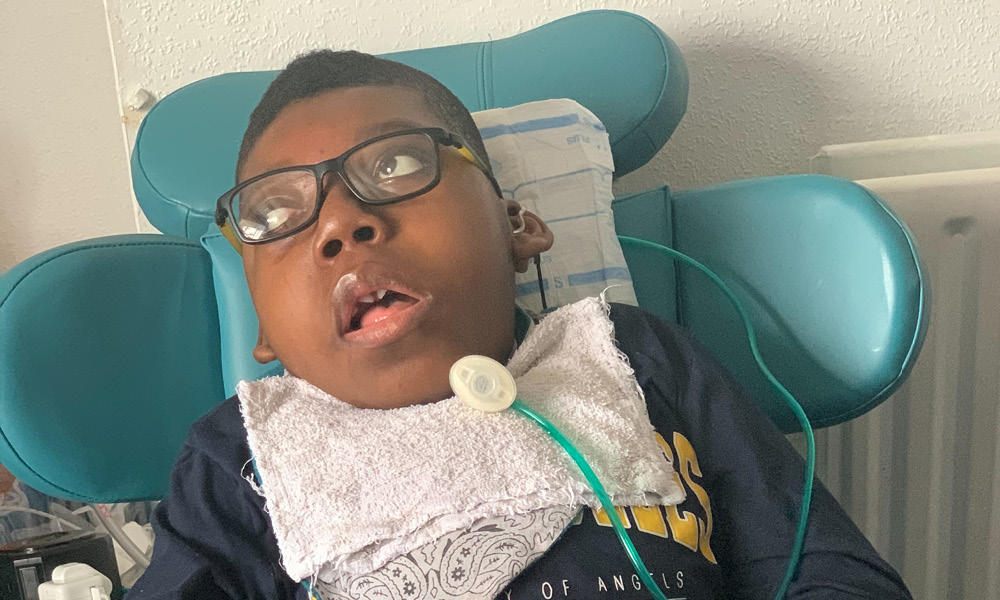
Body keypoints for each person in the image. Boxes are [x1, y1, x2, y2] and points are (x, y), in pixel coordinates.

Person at [125, 50, 911, 600]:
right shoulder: (241, 460)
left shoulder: (632, 361)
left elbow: (832, 576)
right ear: (265, 330)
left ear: (517, 227)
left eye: (396, 165)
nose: (340, 224)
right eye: (273, 214)